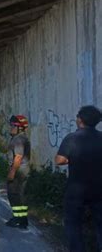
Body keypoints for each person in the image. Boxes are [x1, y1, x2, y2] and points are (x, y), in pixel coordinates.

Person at [55, 106, 102, 252]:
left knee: (73, 223)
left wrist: (72, 159)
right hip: (99, 189)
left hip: (76, 190)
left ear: (80, 120)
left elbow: (59, 160)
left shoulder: (72, 138)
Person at [5, 115, 31, 229]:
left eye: (13, 125)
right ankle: (22, 220)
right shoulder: (20, 137)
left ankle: (18, 219)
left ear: (20, 127)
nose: (11, 127)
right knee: (19, 195)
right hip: (21, 170)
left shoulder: (18, 139)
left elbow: (18, 157)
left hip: (18, 171)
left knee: (14, 195)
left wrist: (12, 172)